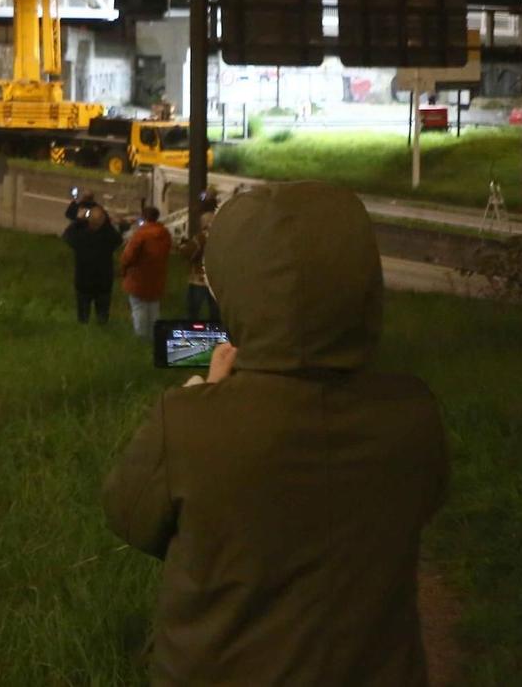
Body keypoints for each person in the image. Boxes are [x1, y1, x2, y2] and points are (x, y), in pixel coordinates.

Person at [103, 182, 449, 685]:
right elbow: (426, 501)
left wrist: (204, 397)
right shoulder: (414, 412)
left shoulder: (186, 423)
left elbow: (129, 516)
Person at [120, 204, 174, 341]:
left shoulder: (141, 235)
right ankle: (154, 336)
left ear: (144, 217)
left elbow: (128, 256)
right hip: (157, 277)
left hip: (138, 277)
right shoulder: (165, 234)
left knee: (139, 309)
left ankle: (141, 337)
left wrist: (123, 267)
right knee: (154, 308)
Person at [63, 199, 118, 324]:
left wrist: (78, 220)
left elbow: (67, 235)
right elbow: (118, 239)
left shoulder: (80, 237)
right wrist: (106, 221)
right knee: (103, 316)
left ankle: (83, 331)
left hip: (83, 281)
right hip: (104, 282)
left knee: (83, 316)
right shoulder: (108, 237)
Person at [179, 190, 221, 323]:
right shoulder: (219, 219)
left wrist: (185, 247)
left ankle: (192, 333)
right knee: (215, 312)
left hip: (199, 277)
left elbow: (192, 251)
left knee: (193, 311)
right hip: (216, 276)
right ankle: (217, 336)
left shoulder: (203, 230)